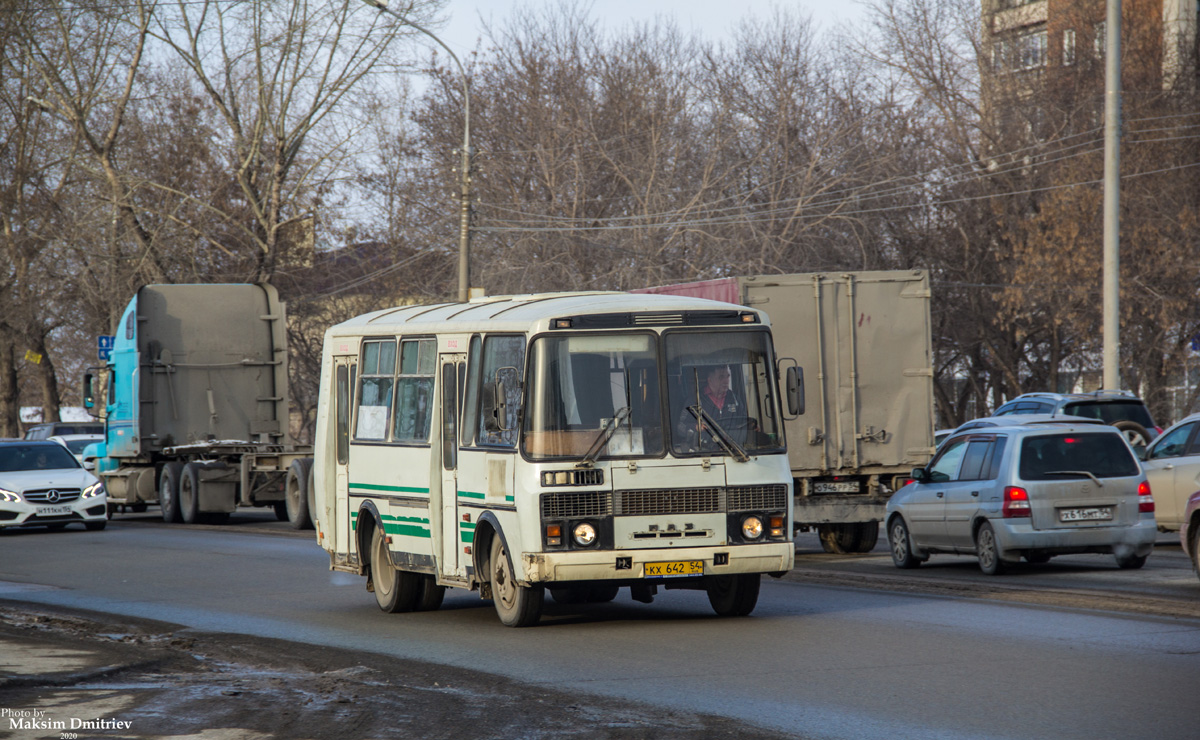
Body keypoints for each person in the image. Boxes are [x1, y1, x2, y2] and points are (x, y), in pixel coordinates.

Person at [677, 365, 744, 446]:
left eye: (727, 376)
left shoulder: (735, 399)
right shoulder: (695, 401)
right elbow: (680, 428)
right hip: (704, 451)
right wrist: (696, 427)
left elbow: (743, 422)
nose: (726, 381)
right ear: (710, 380)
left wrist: (751, 428)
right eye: (721, 377)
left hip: (733, 450)